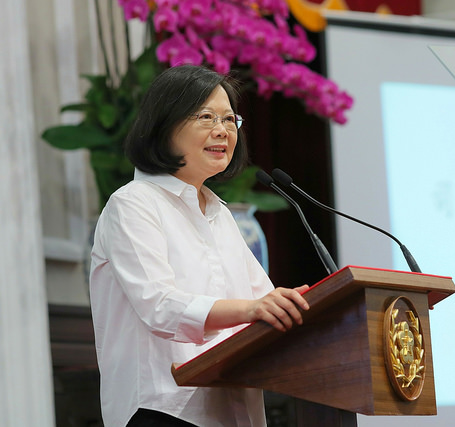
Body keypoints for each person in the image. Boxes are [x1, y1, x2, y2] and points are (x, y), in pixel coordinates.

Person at [89, 64, 309, 427]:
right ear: (164, 124)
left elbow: (263, 302)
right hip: (162, 409)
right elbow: (159, 305)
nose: (222, 130)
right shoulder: (133, 204)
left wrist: (292, 310)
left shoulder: (220, 214)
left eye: (229, 119)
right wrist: (254, 308)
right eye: (206, 117)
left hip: (231, 411)